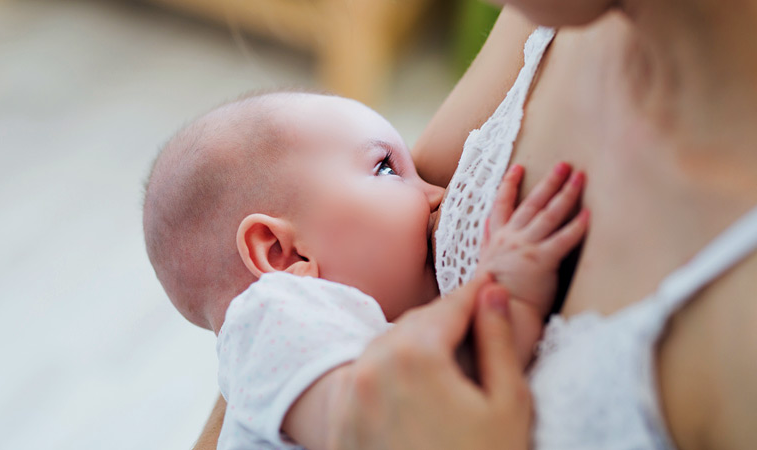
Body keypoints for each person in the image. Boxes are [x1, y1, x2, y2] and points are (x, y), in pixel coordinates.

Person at [143, 91, 588, 449]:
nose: (437, 193)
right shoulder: (267, 320)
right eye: (385, 167)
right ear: (282, 254)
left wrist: (514, 299)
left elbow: (463, 392)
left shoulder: (354, 335)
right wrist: (504, 292)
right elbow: (390, 423)